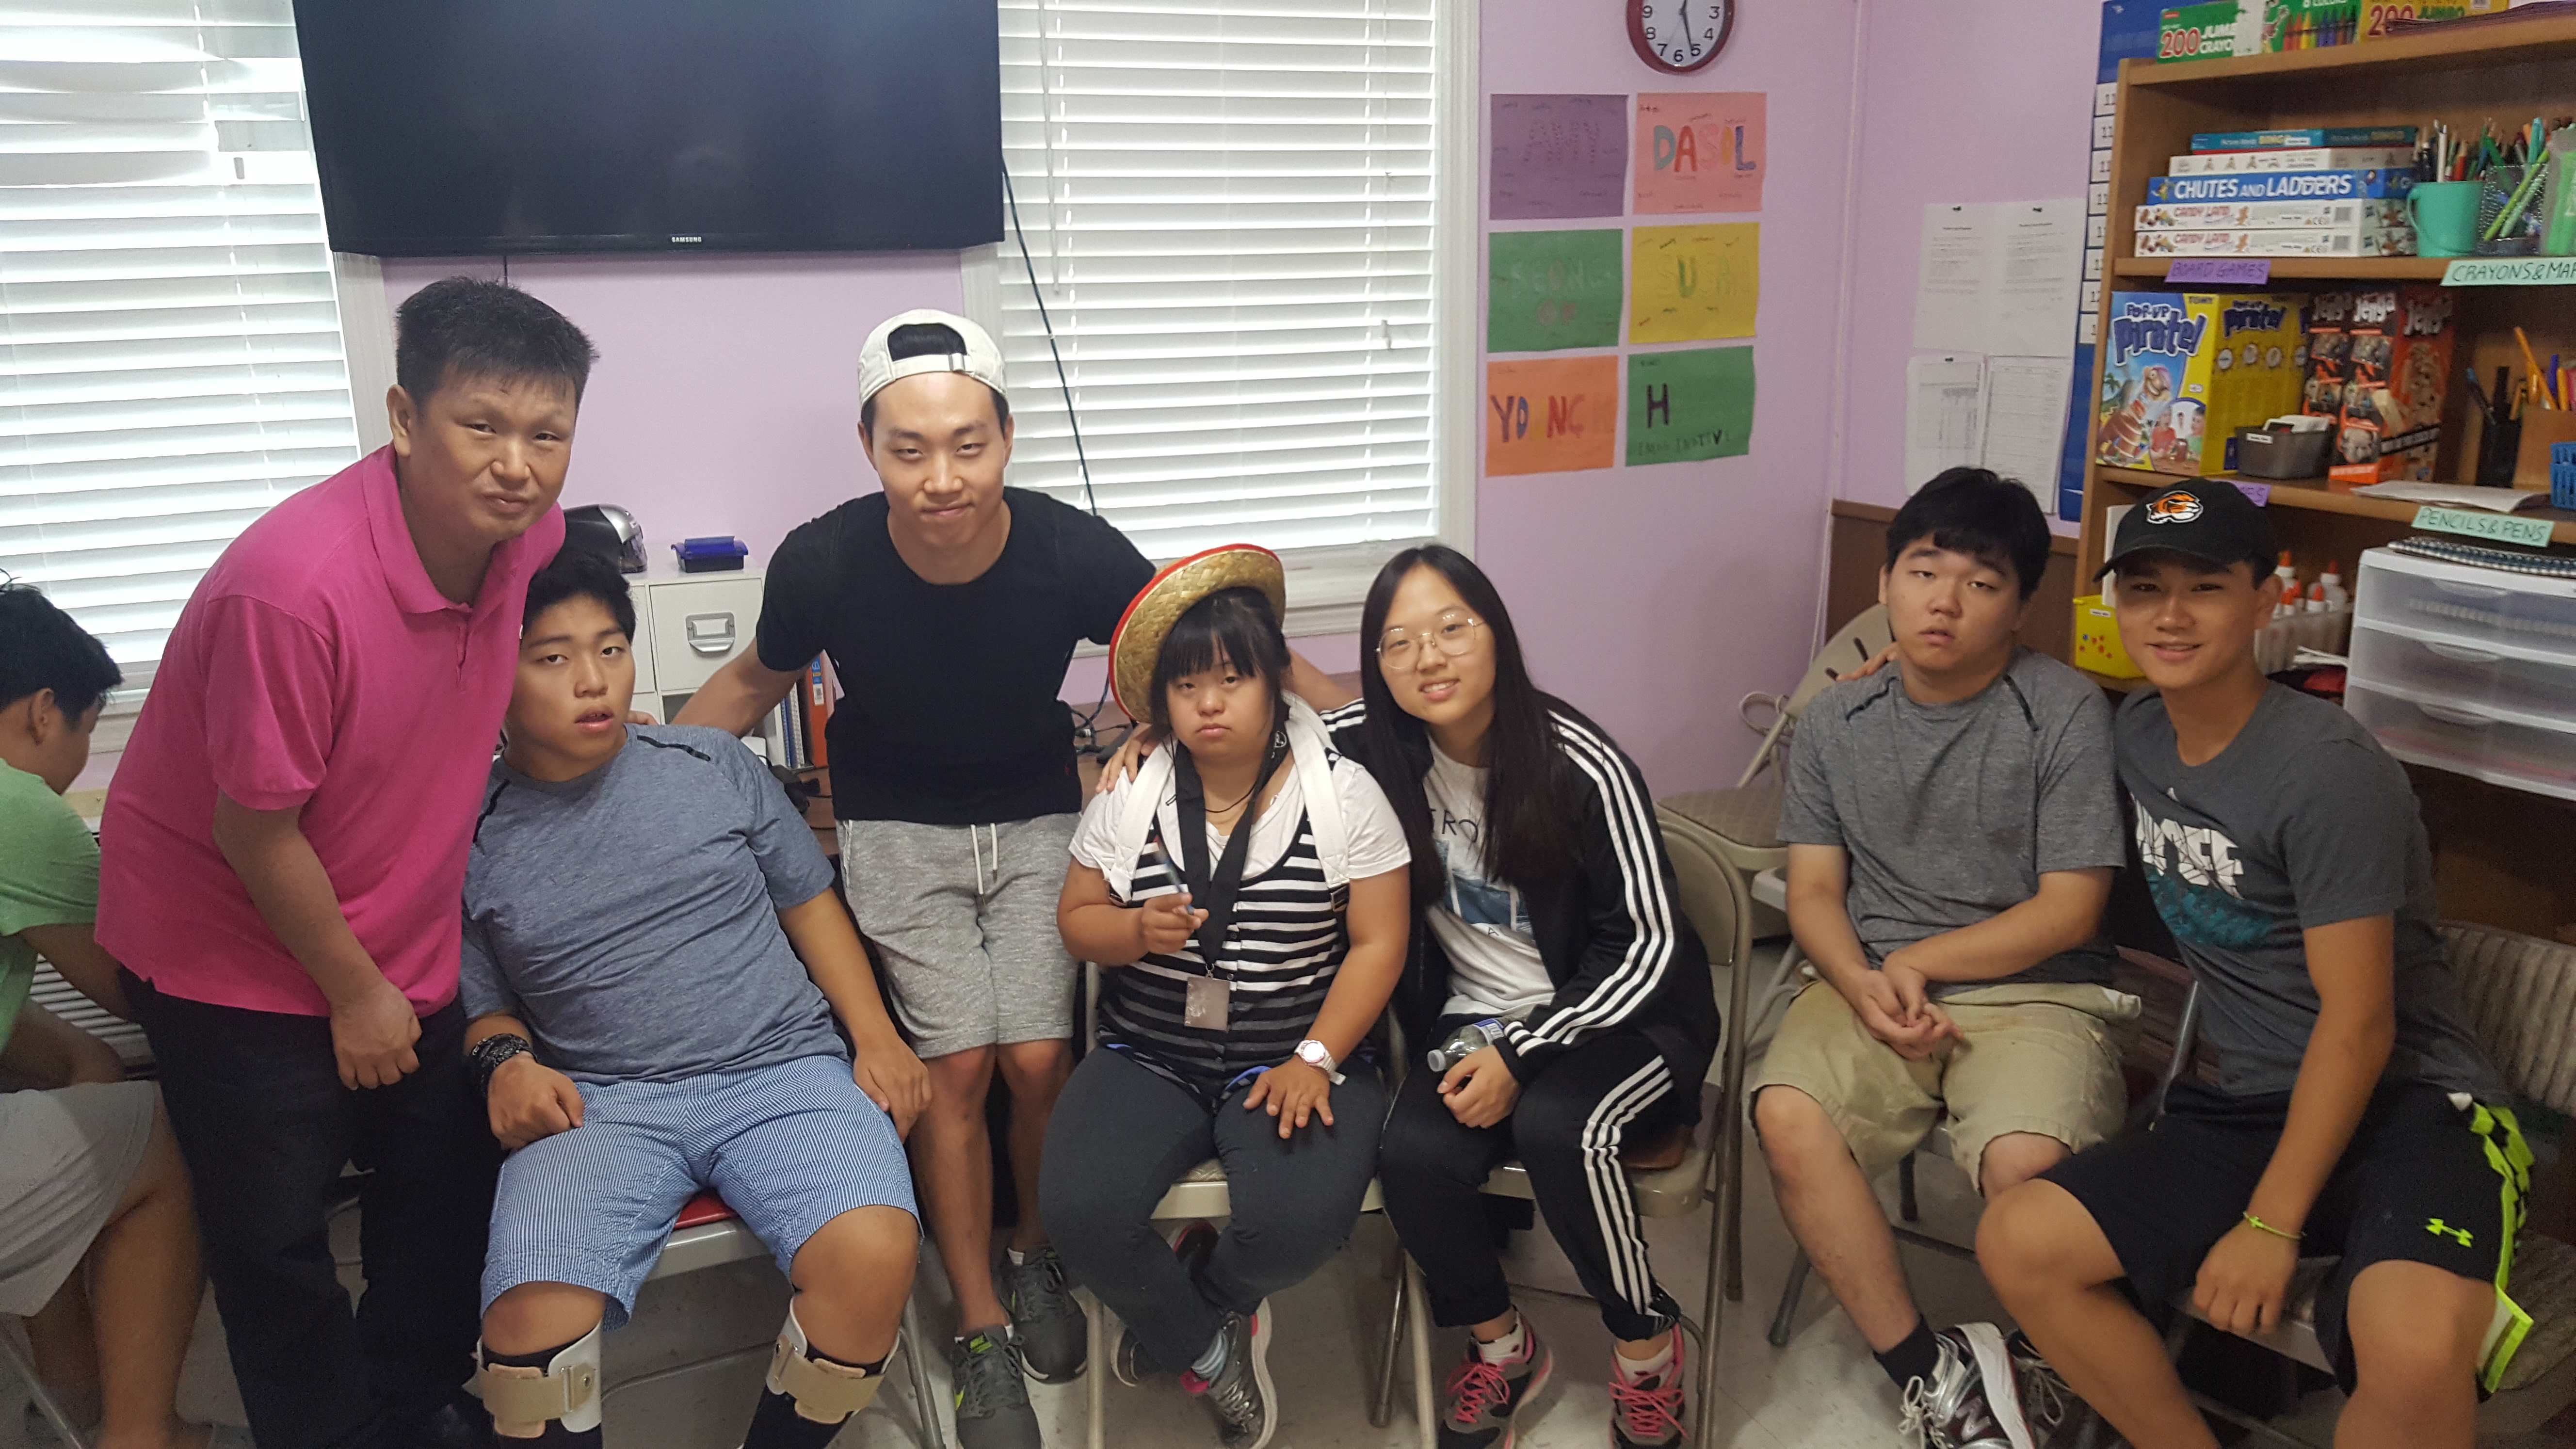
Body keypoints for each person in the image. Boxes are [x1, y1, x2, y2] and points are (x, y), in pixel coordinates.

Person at [96, 276, 595, 1449]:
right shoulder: (293, 590)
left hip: (394, 930)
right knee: (274, 1240)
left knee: (445, 1189)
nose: (516, 466)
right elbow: (252, 833)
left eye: (547, 434)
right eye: (481, 426)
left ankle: (409, 1405)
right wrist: (356, 992)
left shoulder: (528, 539)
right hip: (227, 949)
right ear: (405, 418)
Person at [674, 308, 1147, 1448]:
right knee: (957, 1068)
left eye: (968, 445)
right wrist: (644, 774)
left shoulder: (1069, 547)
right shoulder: (825, 560)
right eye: (910, 449)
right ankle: (978, 1319)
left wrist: (1174, 732)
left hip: (1040, 819)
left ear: (1007, 438)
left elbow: (1181, 649)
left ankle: (1033, 1253)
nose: (942, 478)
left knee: (1037, 1061)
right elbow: (753, 681)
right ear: (868, 447)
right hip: (894, 828)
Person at [1980, 482, 2528, 1449]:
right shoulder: (2139, 733)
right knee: (2020, 1241)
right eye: (2144, 588)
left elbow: (2360, 1024)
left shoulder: (2327, 772)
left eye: (2206, 587)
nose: (2172, 616)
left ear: (2265, 601)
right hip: (2250, 1102)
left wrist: (2271, 1225)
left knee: (2411, 1349)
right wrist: (1896, 668)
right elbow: (2010, 708)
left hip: (2412, 1105)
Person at [458, 548, 929, 1448]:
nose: (593, 681)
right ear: (491, 673)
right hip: (603, 1102)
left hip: (783, 1073)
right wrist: (505, 1066)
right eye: (552, 657)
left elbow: (810, 903)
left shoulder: (709, 762)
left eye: (610, 649)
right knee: (524, 1348)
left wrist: (875, 1036)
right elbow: (486, 1006)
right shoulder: (470, 833)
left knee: (874, 1251)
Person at [1749, 468, 2131, 1449]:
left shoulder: (2064, 711)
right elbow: (1815, 891)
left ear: (2020, 605)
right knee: (1786, 1114)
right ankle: (1934, 1376)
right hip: (1874, 982)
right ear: (1884, 582)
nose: (1944, 602)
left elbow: (2072, 909)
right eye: (1924, 572)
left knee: (2027, 1165)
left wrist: (1923, 959)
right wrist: (1860, 979)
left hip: (2036, 991)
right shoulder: (1836, 720)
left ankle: (2045, 1366)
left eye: (1981, 582)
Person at [1334, 545, 1720, 1449]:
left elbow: (1649, 942)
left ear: (1496, 635)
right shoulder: (1373, 748)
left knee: (1560, 1126)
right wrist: (1151, 742)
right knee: (1411, 1154)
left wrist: (1525, 1052)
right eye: (1398, 643)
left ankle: (1648, 1351)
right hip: (1478, 1020)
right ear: (1378, 666)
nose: (1428, 658)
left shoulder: (1582, 764)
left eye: (1451, 629)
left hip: (1629, 1015)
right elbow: (1260, 730)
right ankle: (1503, 1346)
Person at [1044, 546, 1411, 1449]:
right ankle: (1211, 1351)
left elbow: (1380, 942)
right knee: (1080, 1214)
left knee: (1298, 1225)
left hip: (1295, 1052)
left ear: (1274, 682)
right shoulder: (1132, 789)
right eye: (1187, 686)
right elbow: (1077, 921)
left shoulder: (1344, 794)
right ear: (1161, 702)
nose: (1209, 703)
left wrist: (1316, 1057)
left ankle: (1196, 1306)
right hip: (1150, 1053)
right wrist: (1134, 932)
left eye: (1233, 680)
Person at [0, 586, 219, 1449]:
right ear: (42, 712)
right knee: (165, 1136)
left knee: (71, 1100)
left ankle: (69, 1408)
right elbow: (143, 988)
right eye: (87, 730)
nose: (83, 759)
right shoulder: (22, 811)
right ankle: (141, 1434)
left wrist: (81, 1056)